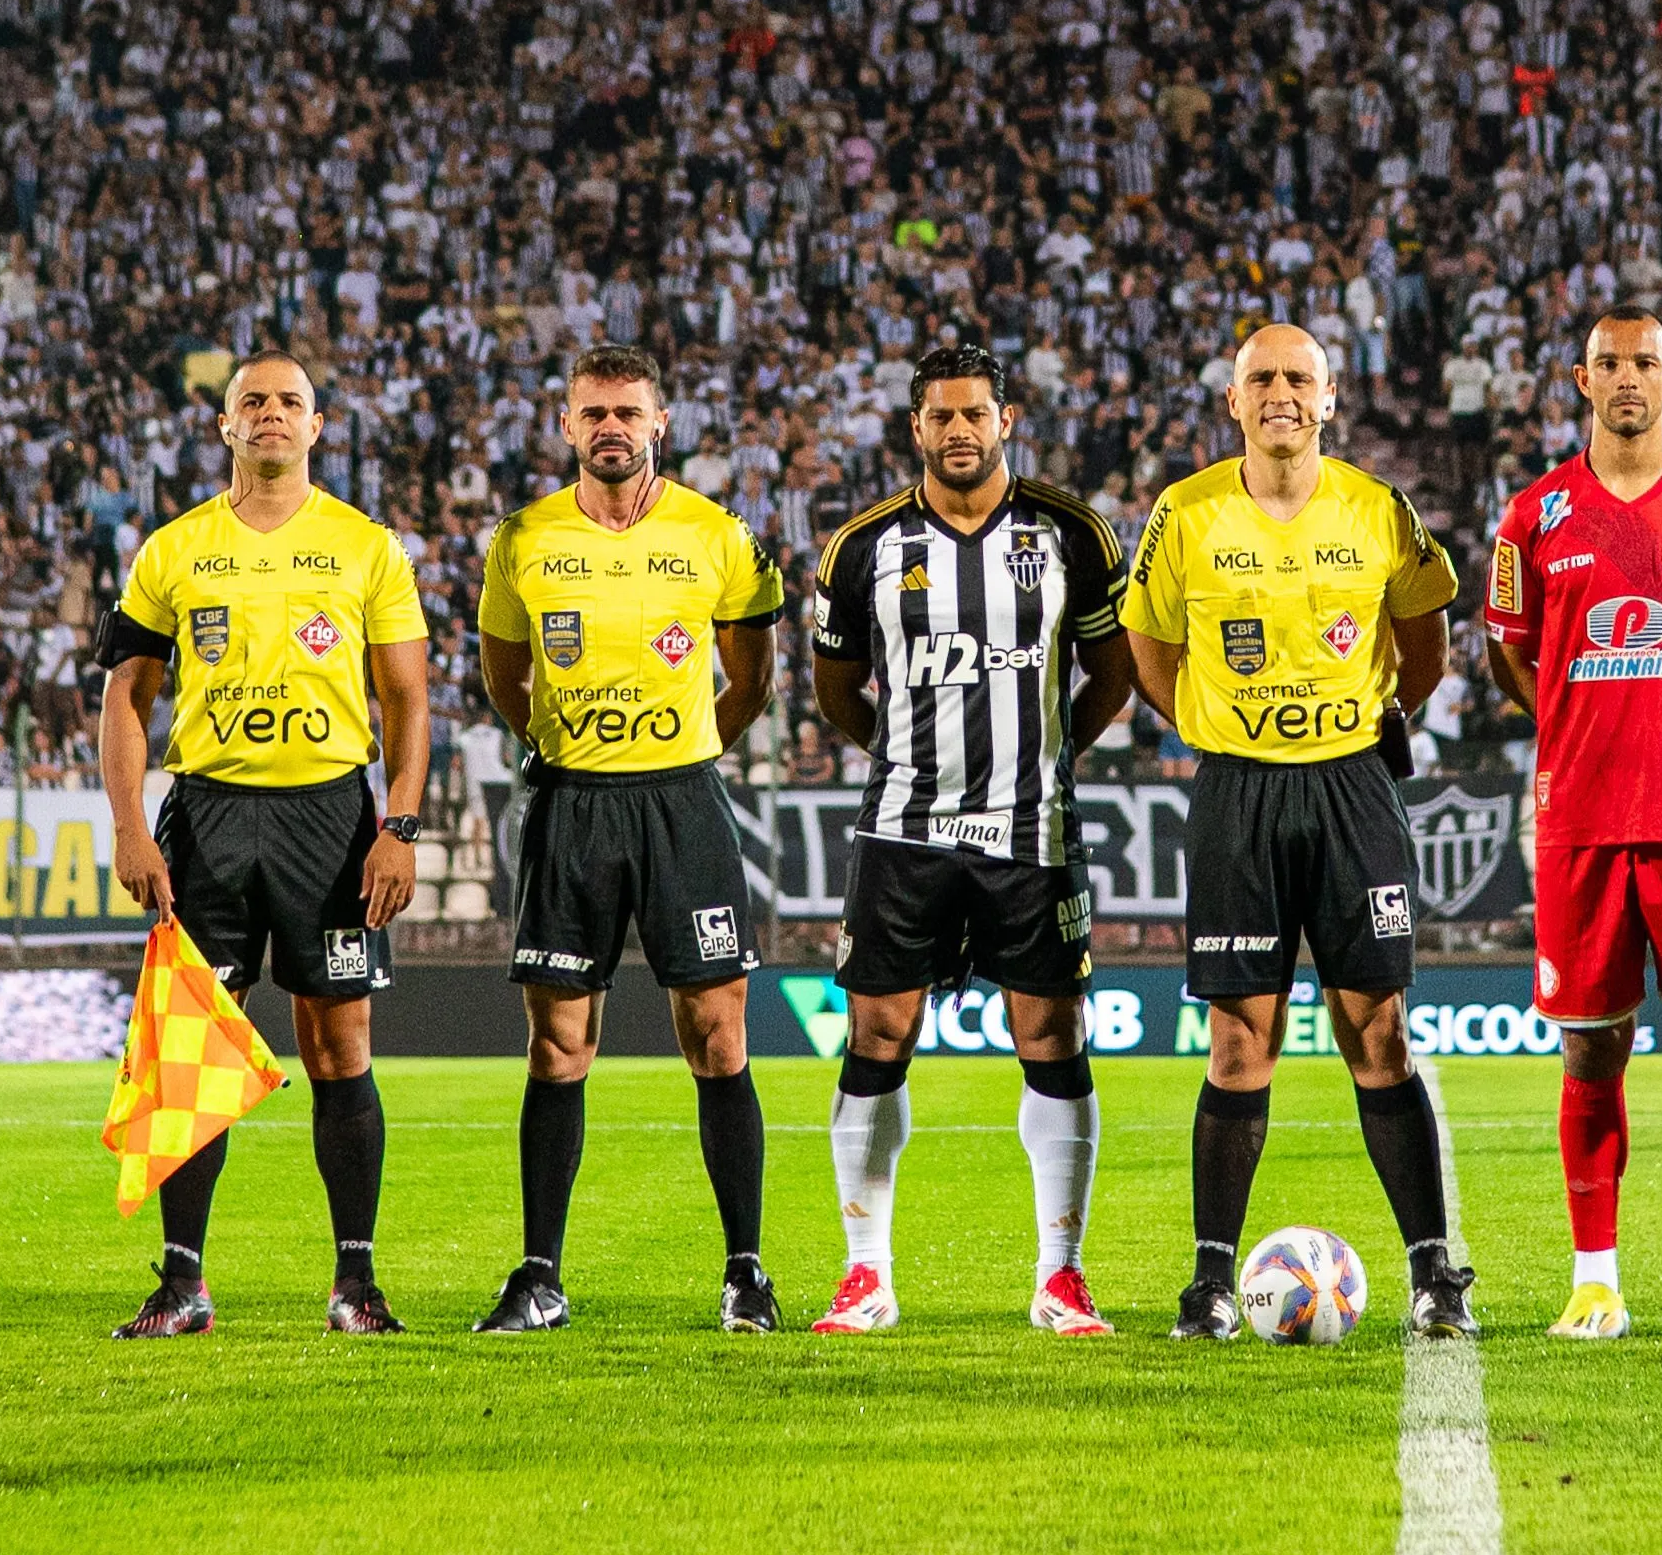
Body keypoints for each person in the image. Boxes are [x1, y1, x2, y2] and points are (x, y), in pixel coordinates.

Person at [1124, 323, 1477, 1342]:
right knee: (1241, 1042)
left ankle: (1431, 1272)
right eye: (1260, 379)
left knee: (1380, 1030)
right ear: (1233, 401)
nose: (1280, 393)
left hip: (1351, 787)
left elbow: (1425, 628)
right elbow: (1147, 640)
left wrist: (1378, 719)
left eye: (1299, 379)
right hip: (1240, 793)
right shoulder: (1184, 514)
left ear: (1329, 399)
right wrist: (1202, 724)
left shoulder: (1377, 509)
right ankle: (1210, 1282)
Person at [804, 345, 1138, 1337]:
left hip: (1031, 826)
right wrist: (900, 757)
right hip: (903, 828)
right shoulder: (862, 546)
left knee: (1053, 1038)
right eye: (941, 416)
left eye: (975, 415)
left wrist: (1051, 756)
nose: (959, 431)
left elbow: (1111, 673)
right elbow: (835, 688)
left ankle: (1061, 1276)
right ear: (917, 428)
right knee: (877, 1037)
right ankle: (867, 1275)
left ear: (1005, 420)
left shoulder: (1070, 530)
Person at [95, 350, 430, 1338]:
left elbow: (407, 699)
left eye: (291, 401)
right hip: (207, 816)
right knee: (190, 1050)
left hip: (330, 817)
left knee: (339, 1043)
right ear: (226, 426)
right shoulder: (174, 549)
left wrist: (400, 825)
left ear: (318, 427)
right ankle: (183, 1284)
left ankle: (355, 1283)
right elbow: (126, 696)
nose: (273, 414)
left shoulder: (367, 547)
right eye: (254, 401)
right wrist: (128, 826)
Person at [470, 344, 786, 1335]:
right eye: (592, 412)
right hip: (572, 803)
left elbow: (752, 665)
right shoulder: (521, 539)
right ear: (567, 425)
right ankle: (538, 1276)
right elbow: (501, 668)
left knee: (719, 1031)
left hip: (682, 800)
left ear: (660, 422)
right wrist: (565, 749)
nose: (611, 427)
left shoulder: (721, 534)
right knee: (560, 1042)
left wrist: (691, 753)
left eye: (628, 412)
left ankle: (746, 1274)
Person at [1482, 307, 1662, 1343]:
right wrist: (1573, 718)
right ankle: (1595, 1280)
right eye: (1607, 362)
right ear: (1579, 378)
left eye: (1643, 362)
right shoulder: (1532, 518)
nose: (1626, 378)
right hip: (1579, 827)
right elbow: (1511, 657)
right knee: (1590, 1052)